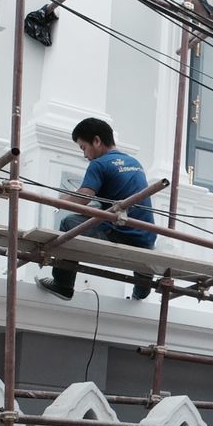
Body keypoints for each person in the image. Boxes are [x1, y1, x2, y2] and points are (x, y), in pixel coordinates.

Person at [37, 118, 157, 301]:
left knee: (69, 223)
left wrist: (60, 202)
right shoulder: (134, 162)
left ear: (97, 141)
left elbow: (83, 197)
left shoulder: (99, 164)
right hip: (146, 238)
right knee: (93, 219)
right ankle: (141, 289)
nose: (85, 155)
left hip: (121, 232)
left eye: (83, 147)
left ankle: (63, 284)